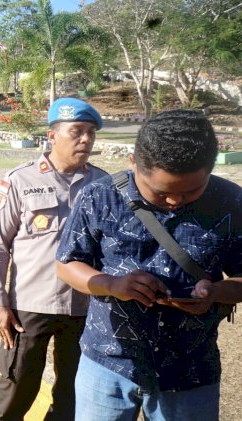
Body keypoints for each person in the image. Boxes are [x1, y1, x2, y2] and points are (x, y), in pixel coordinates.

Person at [56, 109, 242, 420]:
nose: (175, 202)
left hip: (191, 369)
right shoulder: (99, 196)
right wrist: (113, 285)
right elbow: (67, 263)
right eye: (161, 192)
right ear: (133, 162)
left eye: (191, 191)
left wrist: (216, 292)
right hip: (107, 361)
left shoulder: (231, 202)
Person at [0, 98, 108, 421]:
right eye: (77, 131)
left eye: (91, 133)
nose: (86, 139)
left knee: (73, 395)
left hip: (85, 306)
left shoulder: (103, 184)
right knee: (15, 392)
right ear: (52, 135)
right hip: (29, 306)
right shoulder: (21, 180)